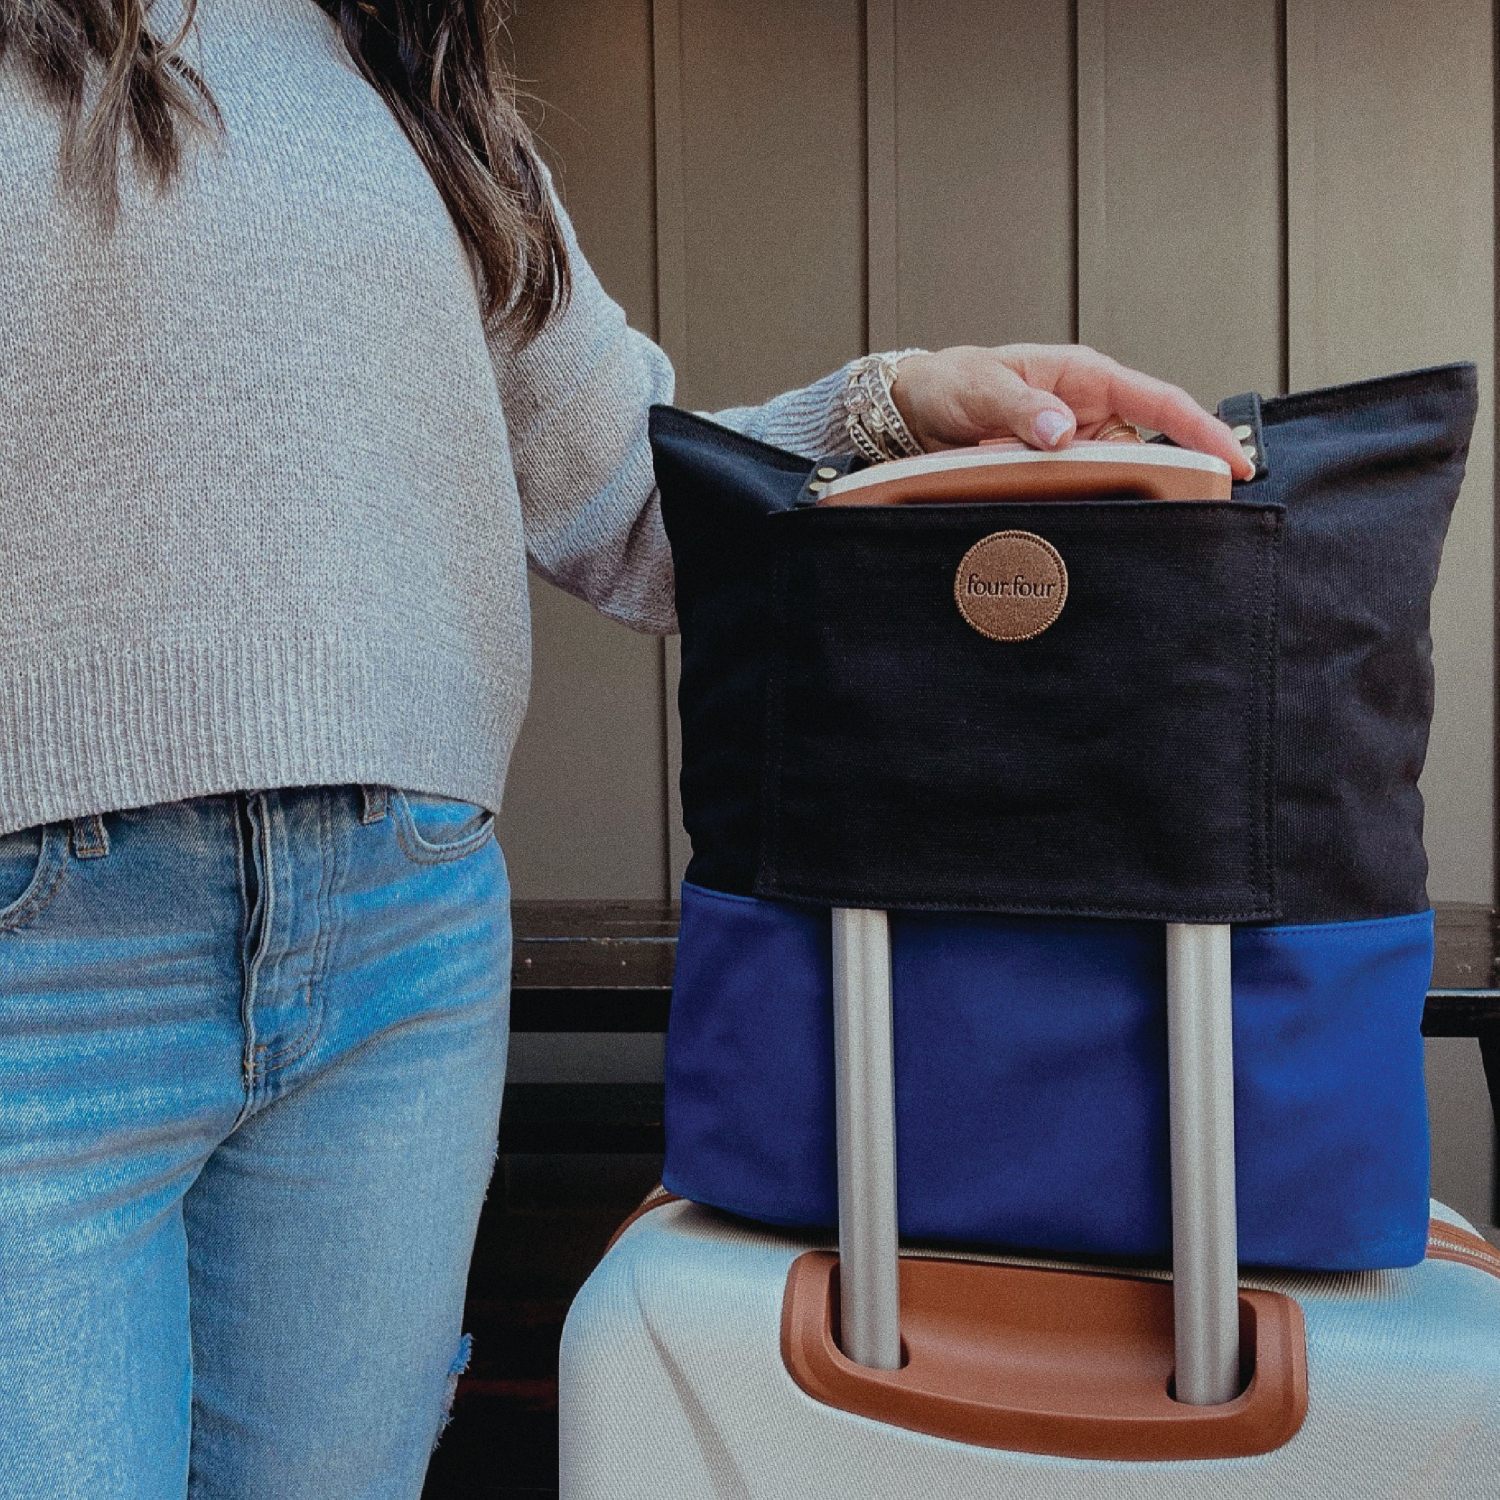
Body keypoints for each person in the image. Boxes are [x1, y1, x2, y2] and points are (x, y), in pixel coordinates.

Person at [0, 0, 1254, 1493]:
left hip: (400, 942)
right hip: (43, 968)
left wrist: (892, 407)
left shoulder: (410, 77)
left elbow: (636, 511)